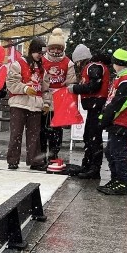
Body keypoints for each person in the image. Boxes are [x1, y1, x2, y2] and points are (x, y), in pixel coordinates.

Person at [98, 46, 127, 195]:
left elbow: (121, 101)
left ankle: (123, 182)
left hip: (124, 121)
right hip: (119, 120)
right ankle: (116, 179)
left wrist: (107, 116)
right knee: (111, 151)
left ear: (120, 63)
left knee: (117, 152)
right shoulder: (124, 77)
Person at [68, 44, 111, 180]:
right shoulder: (96, 66)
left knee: (93, 137)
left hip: (95, 105)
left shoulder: (93, 67)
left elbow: (94, 86)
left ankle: (93, 167)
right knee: (89, 136)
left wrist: (75, 88)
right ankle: (88, 164)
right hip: (95, 106)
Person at [5, 38, 48, 171]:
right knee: (16, 133)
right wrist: (24, 88)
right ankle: (12, 160)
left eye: (42, 54)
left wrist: (46, 103)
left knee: (34, 135)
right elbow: (11, 84)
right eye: (38, 53)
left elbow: (45, 89)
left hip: (35, 105)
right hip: (19, 104)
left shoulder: (42, 69)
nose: (40, 56)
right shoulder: (18, 64)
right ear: (32, 51)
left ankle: (35, 161)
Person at [41, 28, 77, 162]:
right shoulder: (42, 61)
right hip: (44, 98)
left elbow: (71, 81)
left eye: (59, 49)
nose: (56, 51)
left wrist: (63, 87)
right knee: (43, 128)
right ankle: (41, 154)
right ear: (48, 48)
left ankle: (54, 154)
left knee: (56, 130)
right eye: (53, 48)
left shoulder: (68, 62)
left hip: (59, 99)